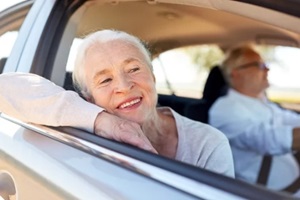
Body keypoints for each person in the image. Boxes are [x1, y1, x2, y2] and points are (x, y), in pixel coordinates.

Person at [0, 29, 234, 177]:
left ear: (152, 77)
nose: (123, 85)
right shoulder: (78, 127)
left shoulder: (207, 143)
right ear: (88, 98)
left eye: (133, 69)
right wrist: (104, 121)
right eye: (105, 79)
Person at [209, 44, 300, 193]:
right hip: (267, 194)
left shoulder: (263, 102)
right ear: (236, 73)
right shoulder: (224, 108)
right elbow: (266, 139)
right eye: (259, 65)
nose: (267, 69)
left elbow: (290, 119)